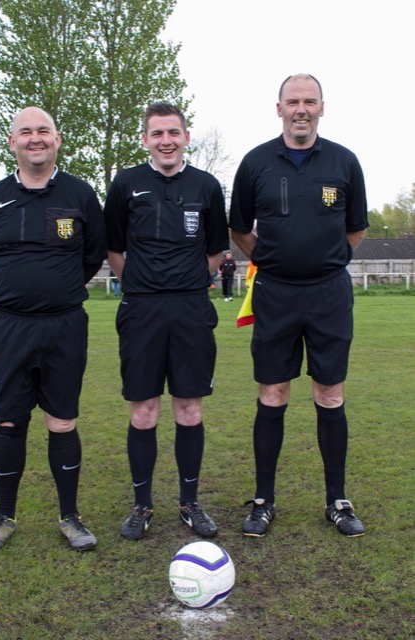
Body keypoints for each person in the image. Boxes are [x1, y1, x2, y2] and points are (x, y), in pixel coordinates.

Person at [229, 74, 368, 538]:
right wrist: (270, 260)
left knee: (330, 394)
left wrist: (325, 262)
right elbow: (239, 229)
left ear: (322, 108)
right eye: (293, 102)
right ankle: (264, 501)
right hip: (275, 294)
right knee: (273, 394)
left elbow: (355, 230)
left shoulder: (345, 163)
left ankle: (337, 500)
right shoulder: (255, 164)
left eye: (310, 101)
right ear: (279, 108)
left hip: (329, 295)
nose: (301, 109)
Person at [0, 106, 107, 551]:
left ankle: (71, 518)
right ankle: (3, 518)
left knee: (62, 421)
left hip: (65, 326)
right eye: (25, 132)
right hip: (8, 327)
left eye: (43, 131)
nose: (35, 138)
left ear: (57, 139)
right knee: (8, 420)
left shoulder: (81, 195)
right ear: (12, 142)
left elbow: (92, 255)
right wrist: (17, 292)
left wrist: (55, 290)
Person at [103, 102, 229, 540]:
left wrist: (192, 281)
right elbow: (114, 247)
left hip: (191, 310)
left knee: (189, 408)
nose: (166, 141)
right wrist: (139, 284)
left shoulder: (207, 186)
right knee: (143, 411)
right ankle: (142, 505)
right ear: (145, 140)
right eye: (157, 134)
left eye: (173, 132)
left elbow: (216, 249)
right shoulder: (127, 184)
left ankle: (190, 502)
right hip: (141, 311)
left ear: (186, 136)